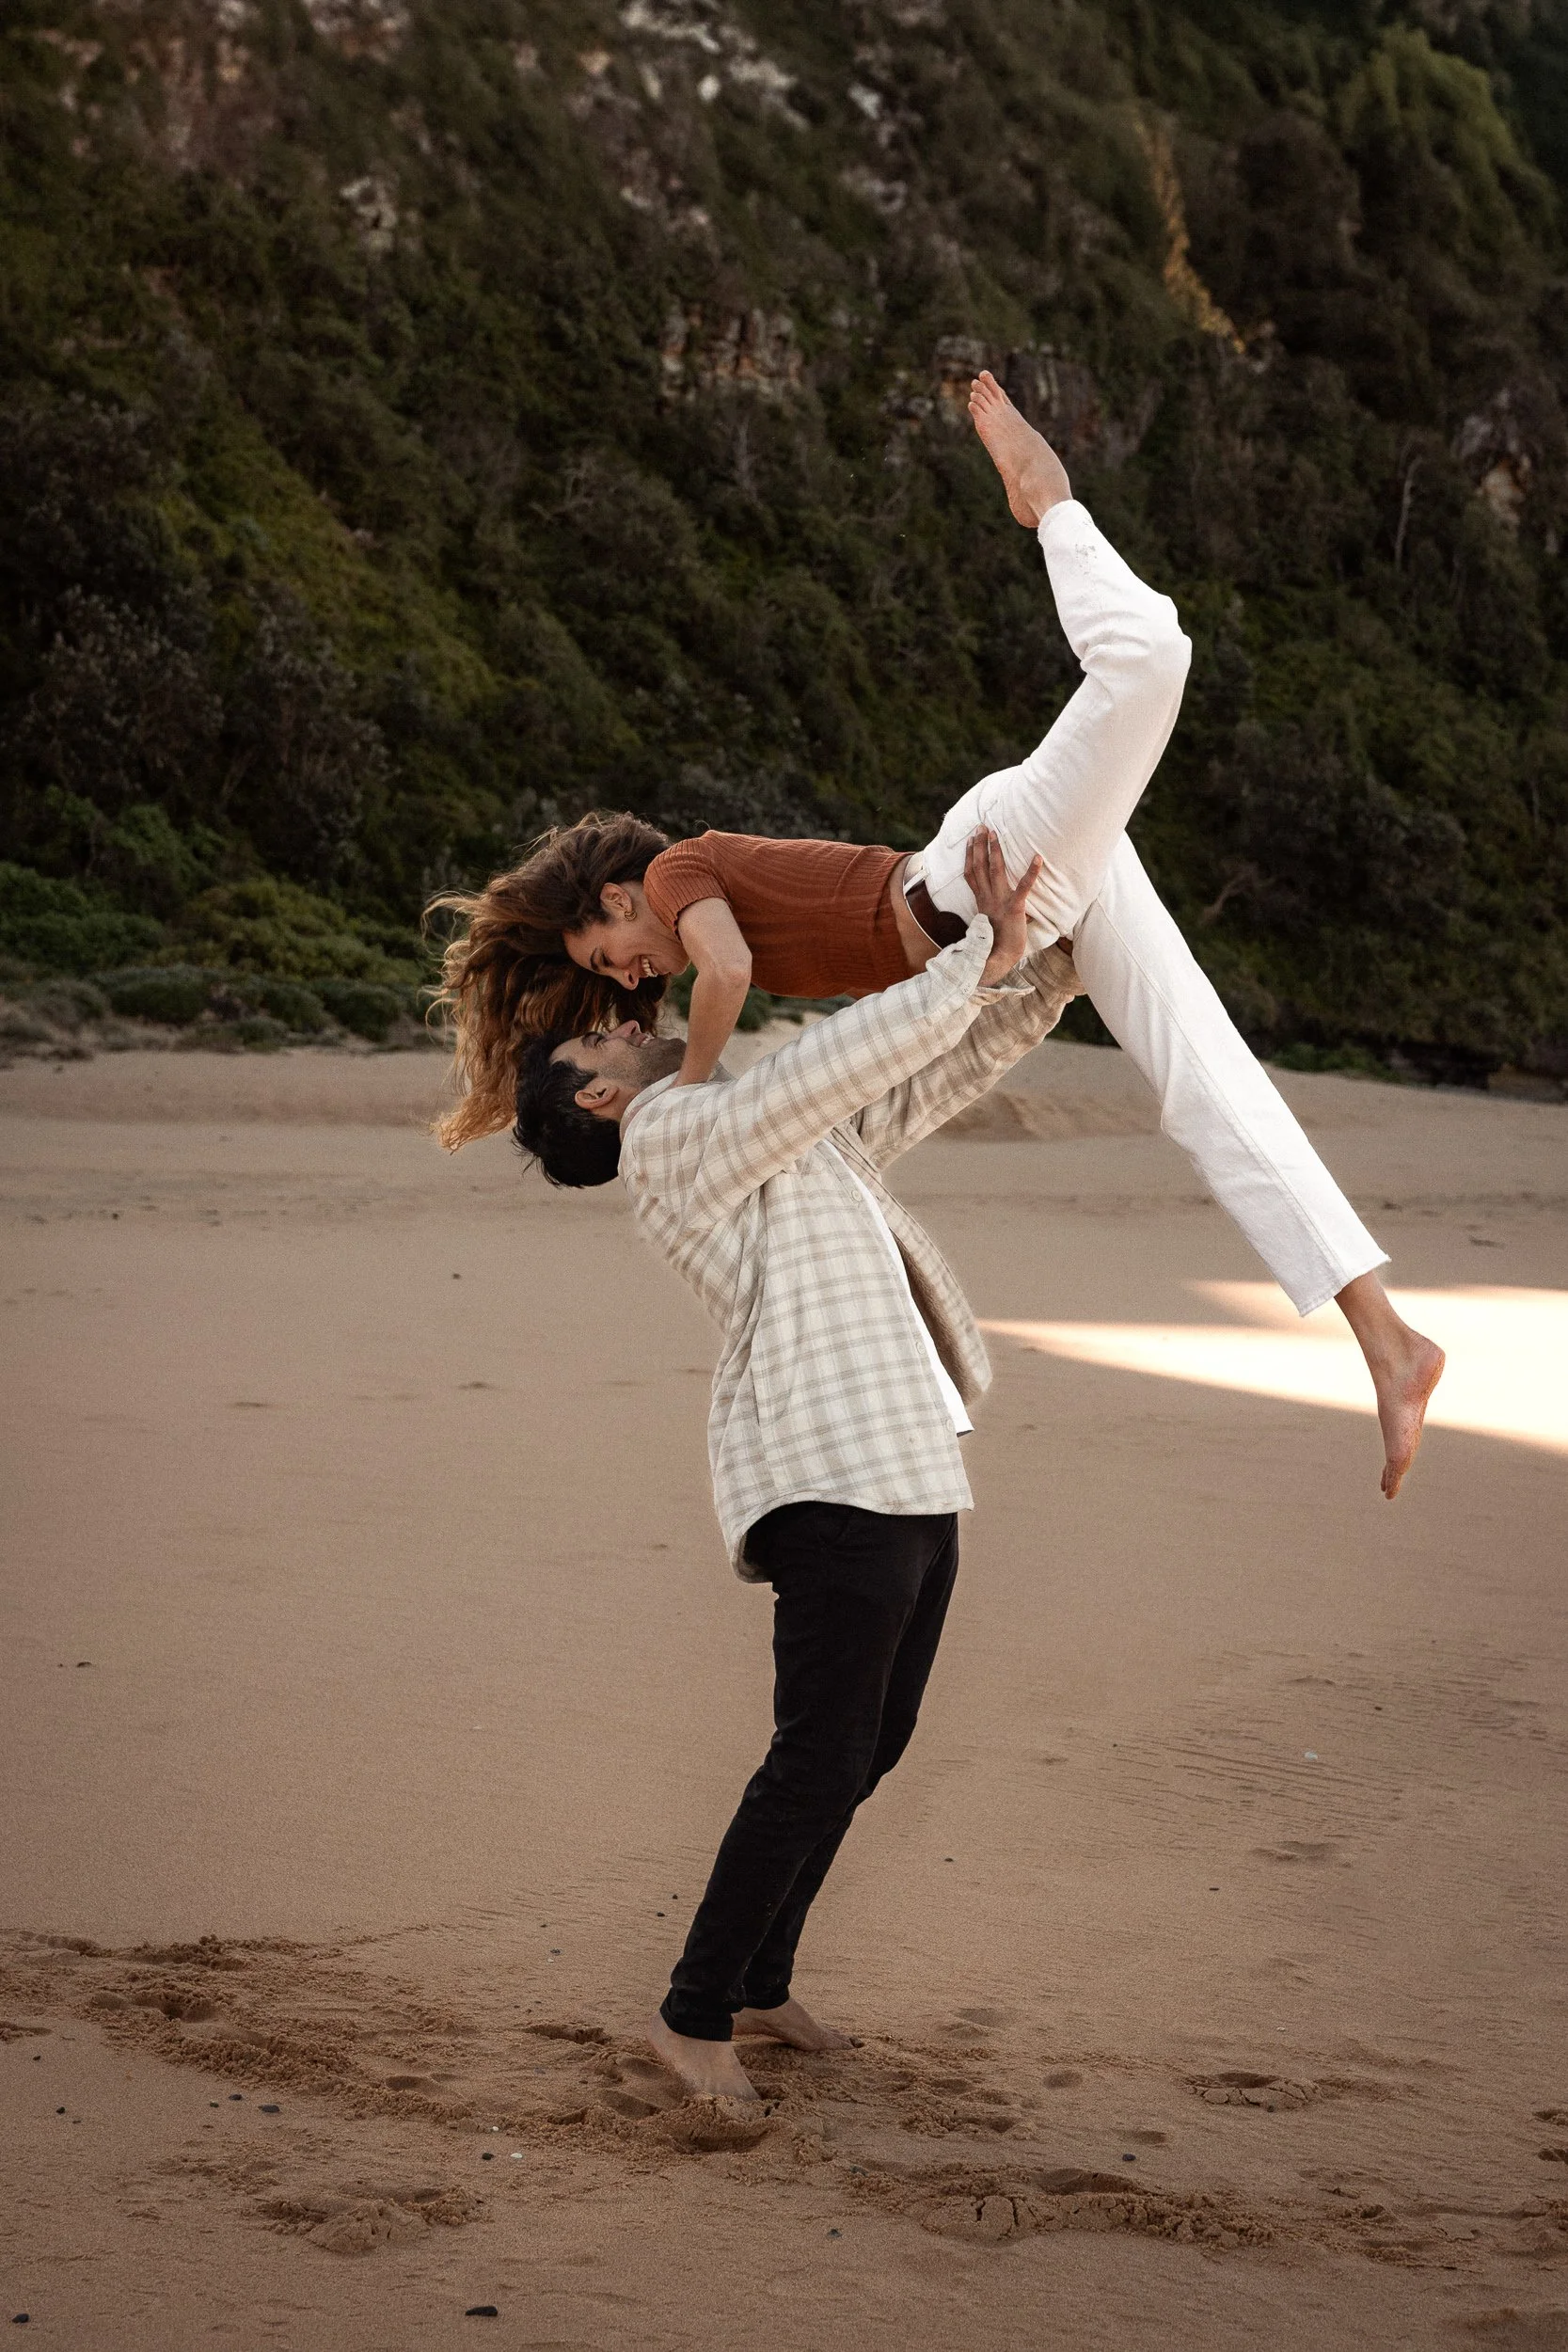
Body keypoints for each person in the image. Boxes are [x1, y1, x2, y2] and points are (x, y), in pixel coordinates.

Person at [434, 373, 1444, 1498]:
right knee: (1200, 1072)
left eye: (602, 955)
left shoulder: (674, 877)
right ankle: (1387, 1340)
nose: (626, 981)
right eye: (612, 984)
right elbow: (841, 1037)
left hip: (976, 872)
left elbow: (730, 969)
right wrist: (1015, 991)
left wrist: (699, 1084)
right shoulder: (671, 924)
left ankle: (1043, 495)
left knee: (1150, 656)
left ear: (612, 895)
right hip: (1003, 903)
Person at [513, 832, 1075, 2099]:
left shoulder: (758, 1138)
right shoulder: (670, 1138)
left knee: (869, 1746)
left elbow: (907, 1086)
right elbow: (825, 1065)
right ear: (597, 1098)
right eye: (596, 1039)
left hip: (905, 1463)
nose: (621, 1018)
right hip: (828, 1481)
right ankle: (690, 2013)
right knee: (816, 1755)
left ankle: (759, 1988)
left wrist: (1036, 985)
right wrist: (973, 949)